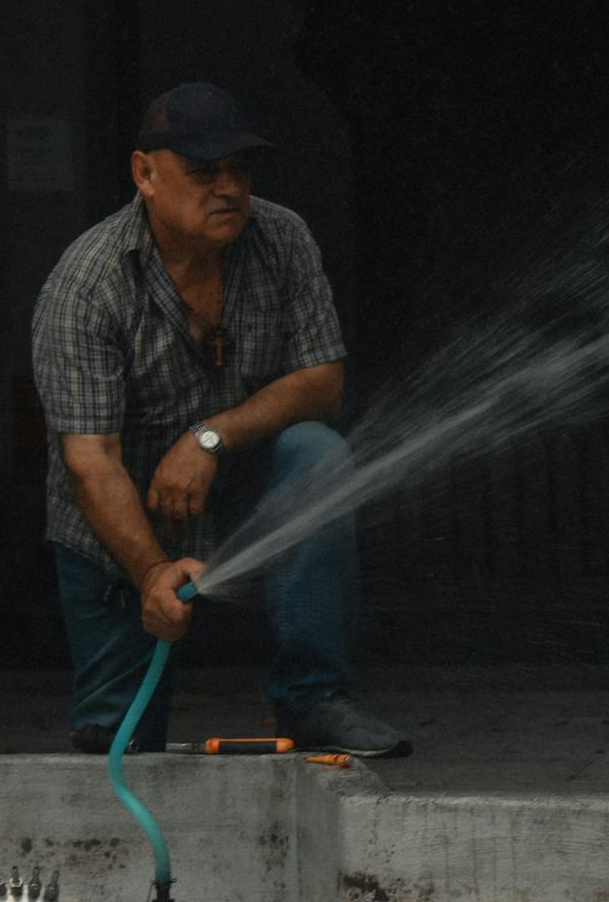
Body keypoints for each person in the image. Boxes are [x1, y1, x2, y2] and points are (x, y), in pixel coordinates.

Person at [31, 81, 408, 757]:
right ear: (144, 173)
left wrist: (211, 437)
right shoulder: (86, 283)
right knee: (118, 745)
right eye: (205, 173)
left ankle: (314, 696)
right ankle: (122, 732)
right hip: (119, 523)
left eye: (239, 170)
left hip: (237, 485)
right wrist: (150, 571)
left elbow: (323, 382)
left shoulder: (282, 238)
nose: (229, 188)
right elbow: (90, 460)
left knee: (317, 452)